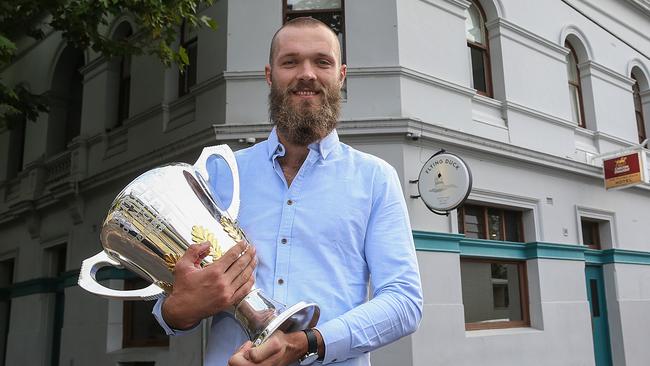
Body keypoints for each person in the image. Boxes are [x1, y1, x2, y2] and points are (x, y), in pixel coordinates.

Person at [153, 17, 423, 366]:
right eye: (290, 61)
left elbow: (404, 302)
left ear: (341, 76)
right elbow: (170, 301)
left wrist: (306, 343)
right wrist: (178, 309)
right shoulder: (220, 173)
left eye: (322, 61)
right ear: (270, 75)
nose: (306, 73)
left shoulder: (375, 179)